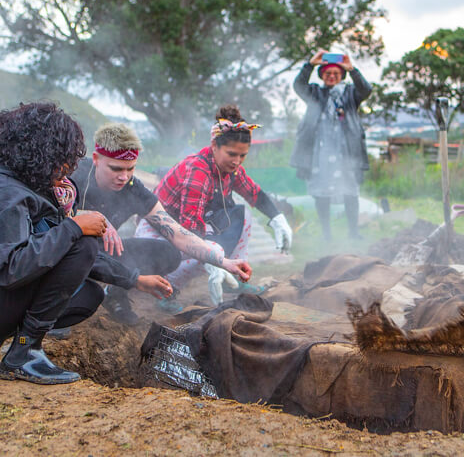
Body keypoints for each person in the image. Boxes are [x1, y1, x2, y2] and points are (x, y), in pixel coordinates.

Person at [0, 103, 170, 385]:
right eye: (63, 158)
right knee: (85, 243)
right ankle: (24, 351)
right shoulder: (9, 194)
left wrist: (134, 279)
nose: (69, 167)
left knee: (90, 292)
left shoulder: (34, 186)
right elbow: (11, 269)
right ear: (41, 152)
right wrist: (73, 226)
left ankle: (26, 347)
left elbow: (63, 249)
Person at [72, 122, 252, 322]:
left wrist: (224, 262)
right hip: (71, 251)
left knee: (168, 253)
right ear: (97, 159)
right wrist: (91, 217)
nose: (123, 177)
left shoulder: (133, 188)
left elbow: (177, 233)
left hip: (104, 253)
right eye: (115, 169)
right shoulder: (75, 175)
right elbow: (48, 220)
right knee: (81, 252)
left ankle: (116, 293)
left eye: (130, 169)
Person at [145, 104, 292, 306]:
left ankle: (234, 279)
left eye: (243, 155)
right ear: (215, 146)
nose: (237, 161)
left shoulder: (231, 170)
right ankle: (165, 289)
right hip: (159, 230)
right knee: (206, 256)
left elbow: (254, 193)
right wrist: (215, 262)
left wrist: (277, 218)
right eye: (232, 154)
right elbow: (190, 229)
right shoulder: (199, 171)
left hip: (189, 226)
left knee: (243, 216)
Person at [290, 50, 372, 240]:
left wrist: (352, 69)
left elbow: (366, 89)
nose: (332, 76)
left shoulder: (351, 93)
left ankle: (354, 232)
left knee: (351, 191)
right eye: (327, 73)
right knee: (321, 193)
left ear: (341, 75)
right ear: (322, 76)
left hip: (347, 152)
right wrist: (310, 64)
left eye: (336, 73)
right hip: (320, 152)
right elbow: (298, 85)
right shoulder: (314, 93)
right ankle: (327, 233)